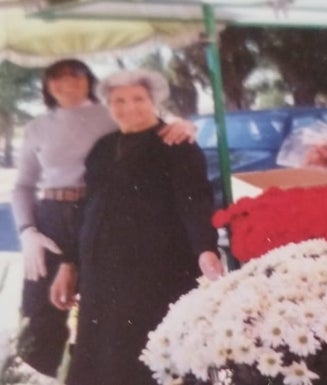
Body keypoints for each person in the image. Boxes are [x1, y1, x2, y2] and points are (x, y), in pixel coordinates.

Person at [11, 58, 197, 378]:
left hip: (102, 216)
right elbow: (23, 185)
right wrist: (27, 230)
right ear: (46, 85)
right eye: (57, 78)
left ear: (89, 81)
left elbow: (153, 123)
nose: (67, 84)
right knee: (39, 314)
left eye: (76, 76)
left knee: (110, 312)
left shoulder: (109, 113)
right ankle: (36, 377)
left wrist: (185, 125)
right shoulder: (36, 128)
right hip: (51, 221)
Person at [49, 68, 223, 385]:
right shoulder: (103, 148)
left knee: (143, 360)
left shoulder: (176, 143)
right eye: (119, 100)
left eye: (138, 98)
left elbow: (195, 201)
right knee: (100, 358)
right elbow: (86, 209)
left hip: (153, 272)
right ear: (109, 105)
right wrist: (69, 264)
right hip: (101, 273)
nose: (129, 107)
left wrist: (205, 249)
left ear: (153, 101)